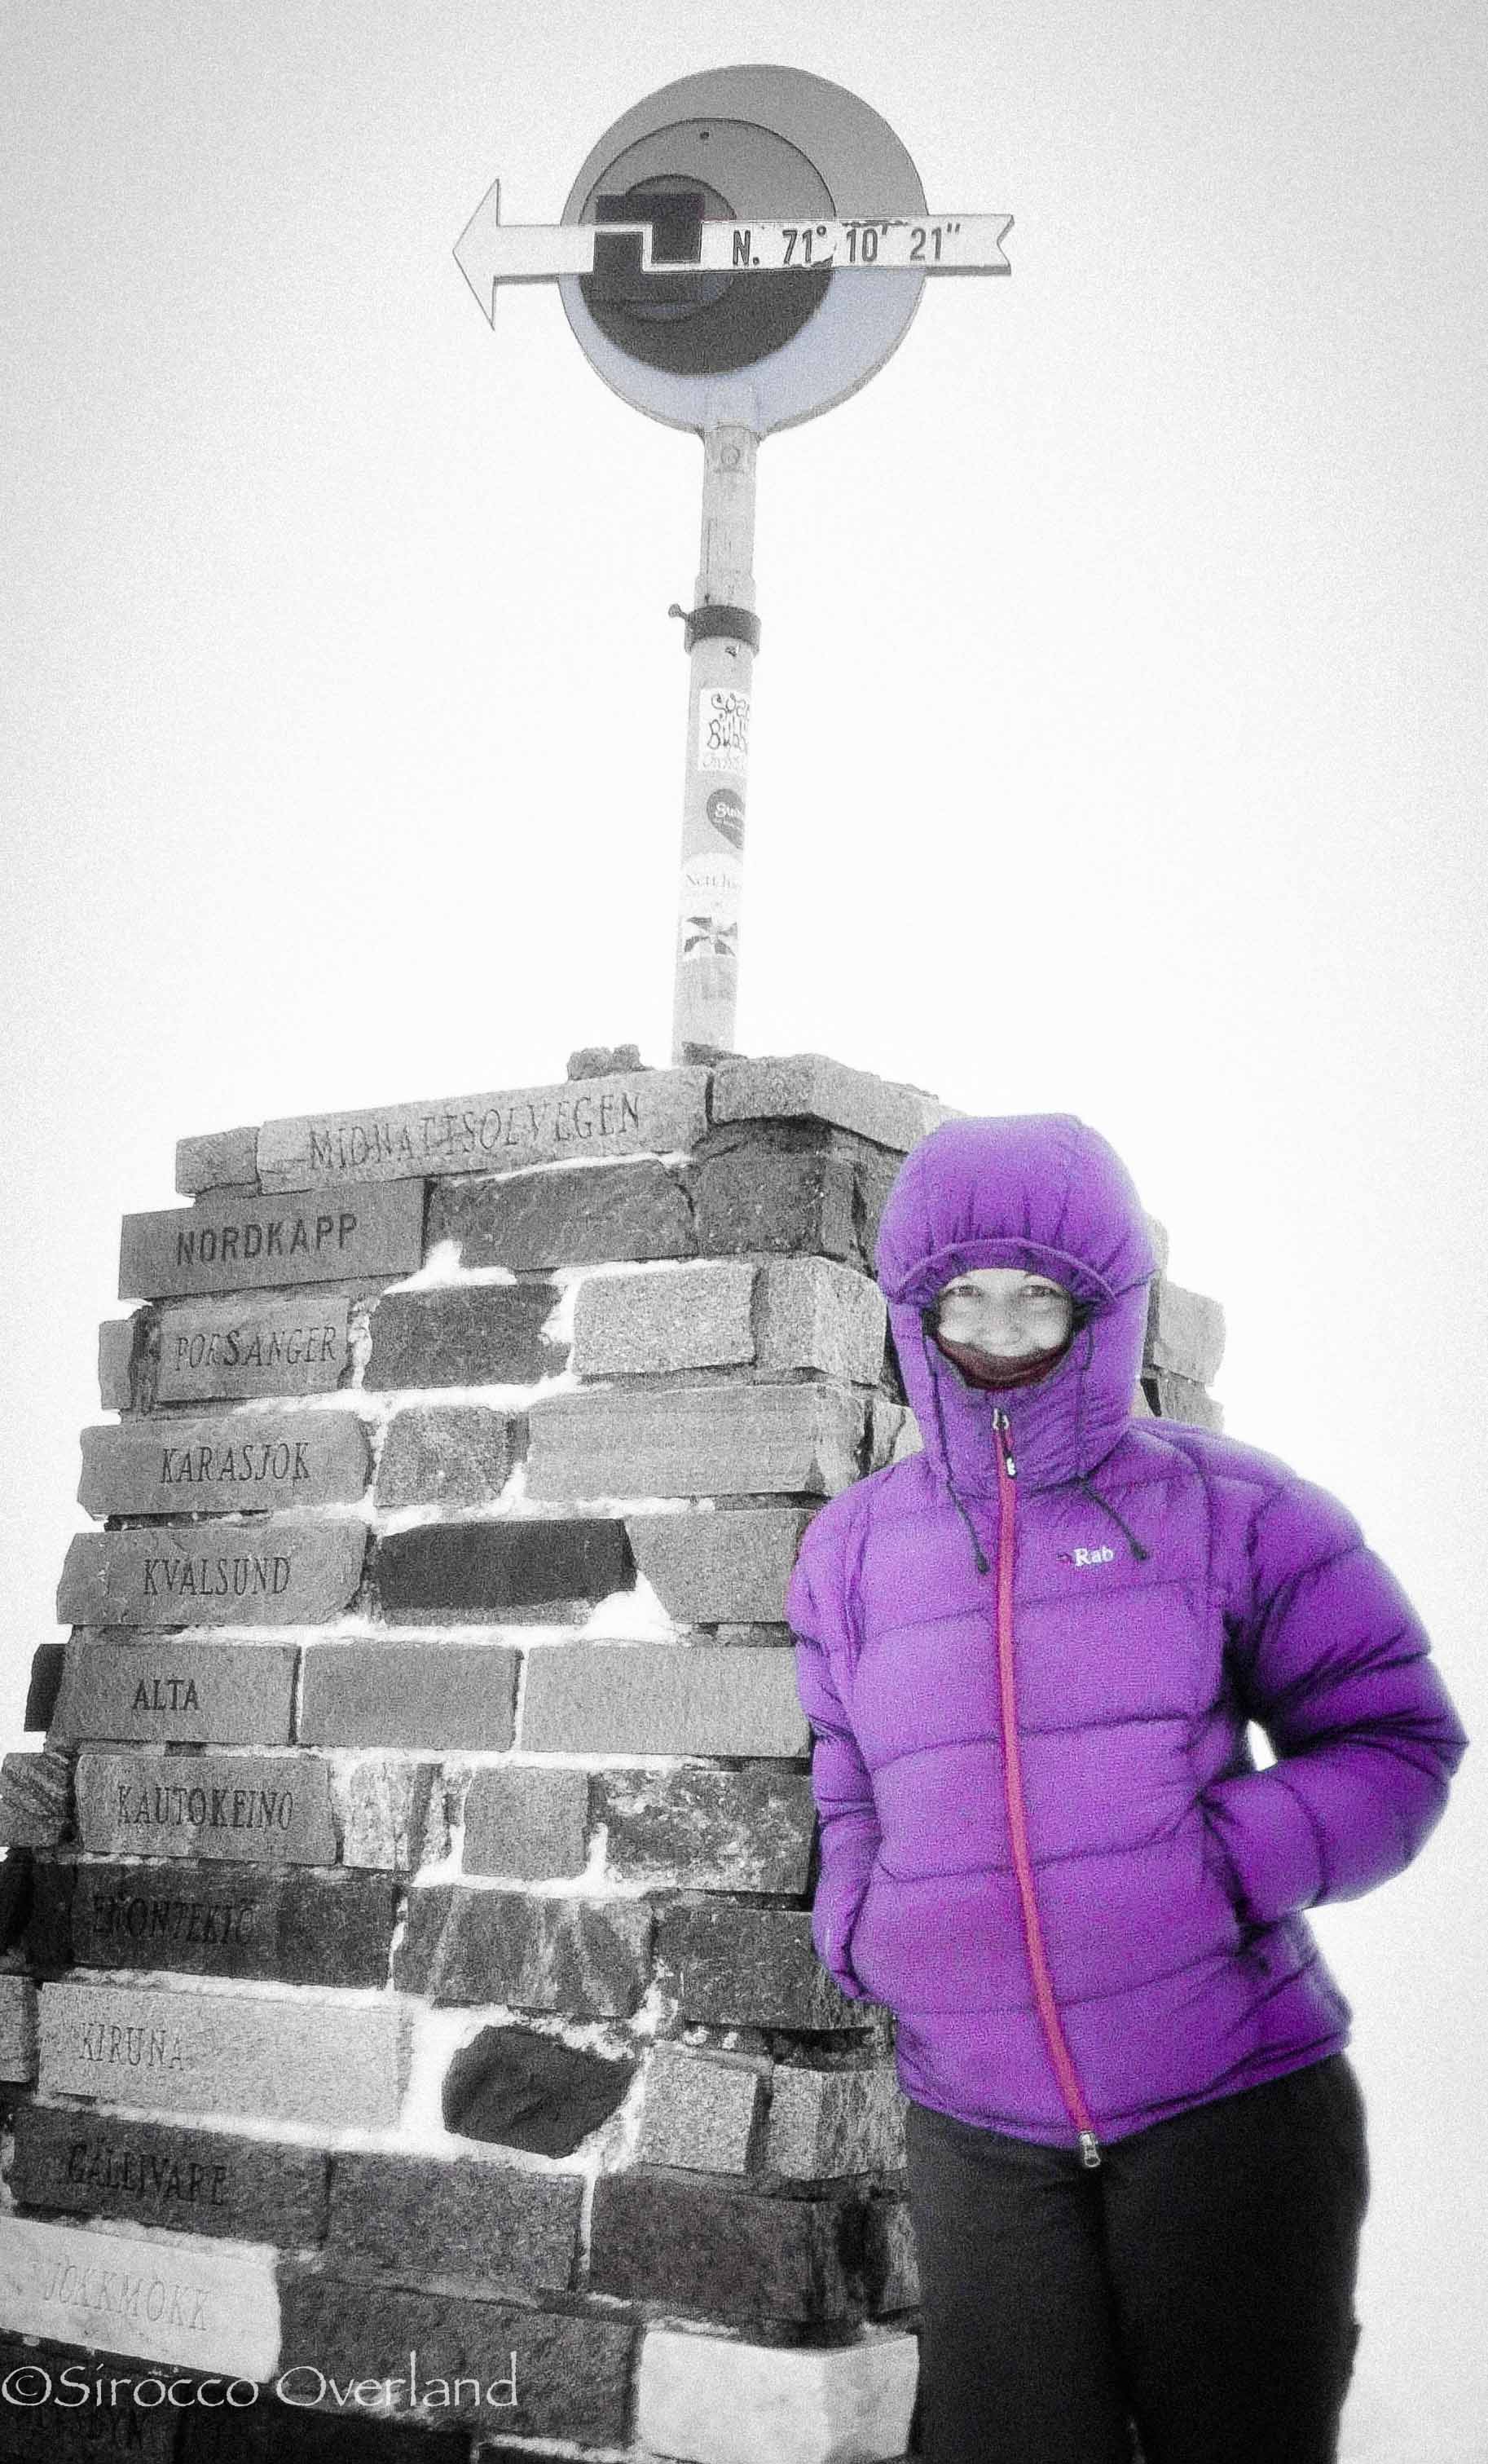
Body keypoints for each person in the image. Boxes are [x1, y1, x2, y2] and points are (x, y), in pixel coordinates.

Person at [786, 1113, 1468, 2464]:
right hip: (976, 2134)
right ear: (912, 1306)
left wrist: (1215, 1868)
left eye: (1035, 1293)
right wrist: (860, 1920)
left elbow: (1394, 1740)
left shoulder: (1232, 1508)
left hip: (1230, 2107)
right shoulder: (852, 1549)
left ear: (1100, 1306)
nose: (996, 1326)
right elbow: (847, 1774)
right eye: (961, 1294)